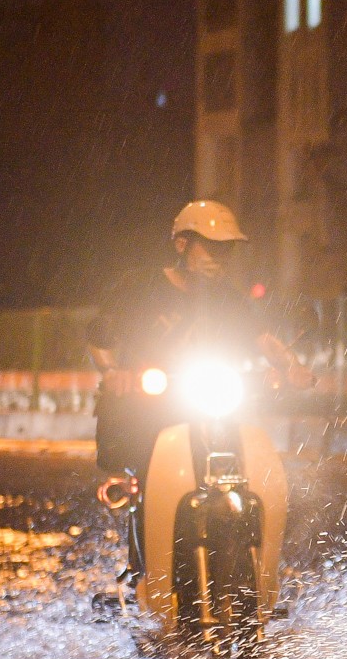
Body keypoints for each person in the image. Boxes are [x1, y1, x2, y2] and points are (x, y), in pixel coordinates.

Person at [87, 200, 313, 481]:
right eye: (211, 247)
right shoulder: (140, 287)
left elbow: (264, 338)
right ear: (182, 245)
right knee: (123, 426)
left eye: (225, 249)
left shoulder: (230, 299)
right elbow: (100, 335)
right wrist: (112, 372)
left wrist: (291, 365)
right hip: (146, 399)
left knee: (241, 459)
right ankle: (124, 483)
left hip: (206, 399)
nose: (219, 256)